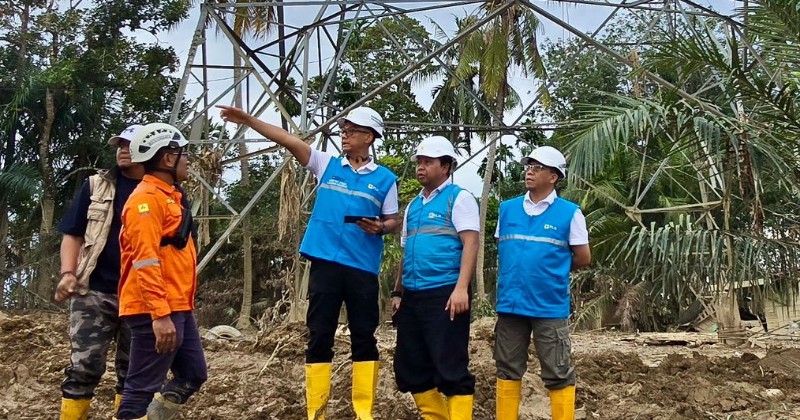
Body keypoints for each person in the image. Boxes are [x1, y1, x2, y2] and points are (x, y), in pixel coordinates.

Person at [218, 104, 400, 420]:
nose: (345, 135)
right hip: (325, 264)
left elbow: (393, 220)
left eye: (352, 131)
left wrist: (381, 227)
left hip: (362, 268)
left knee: (363, 336)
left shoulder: (385, 179)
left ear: (369, 137)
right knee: (319, 334)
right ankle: (316, 411)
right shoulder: (326, 164)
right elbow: (288, 140)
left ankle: (363, 411)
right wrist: (247, 119)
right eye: (343, 130)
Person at [115, 122, 207, 420]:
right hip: (154, 309)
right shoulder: (145, 201)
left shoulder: (169, 196)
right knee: (140, 390)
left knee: (192, 373)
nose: (188, 160)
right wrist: (160, 315)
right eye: (183, 154)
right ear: (168, 158)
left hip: (177, 305)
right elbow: (145, 260)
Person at [493, 146, 591, 420]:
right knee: (507, 369)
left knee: (558, 371)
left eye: (538, 168)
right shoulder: (507, 209)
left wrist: (551, 272)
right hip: (511, 304)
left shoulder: (570, 213)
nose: (530, 172)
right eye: (529, 166)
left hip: (548, 306)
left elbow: (583, 257)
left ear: (554, 176)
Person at [55, 124, 145, 419]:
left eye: (129, 144)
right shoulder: (96, 186)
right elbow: (73, 233)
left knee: (134, 372)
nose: (122, 150)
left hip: (141, 296)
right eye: (120, 145)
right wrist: (68, 273)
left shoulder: (162, 191)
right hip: (94, 291)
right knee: (83, 368)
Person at [391, 136, 479, 420]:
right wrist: (398, 292)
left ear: (446, 166)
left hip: (445, 292)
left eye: (428, 162)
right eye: (419, 161)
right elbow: (406, 251)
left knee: (450, 367)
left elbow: (471, 243)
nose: (421, 167)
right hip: (413, 295)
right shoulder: (413, 206)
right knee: (410, 367)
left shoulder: (459, 198)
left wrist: (461, 288)